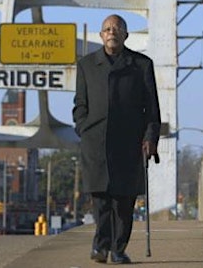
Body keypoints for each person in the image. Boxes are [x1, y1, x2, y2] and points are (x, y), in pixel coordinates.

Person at [72, 14, 161, 264]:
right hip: (95, 141)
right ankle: (100, 247)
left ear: (125, 35)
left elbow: (152, 108)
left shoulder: (141, 65)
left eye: (117, 28)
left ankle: (118, 249)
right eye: (107, 29)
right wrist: (83, 127)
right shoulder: (86, 65)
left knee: (124, 201)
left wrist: (150, 137)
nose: (112, 32)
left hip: (129, 142)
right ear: (101, 35)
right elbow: (80, 103)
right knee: (100, 199)